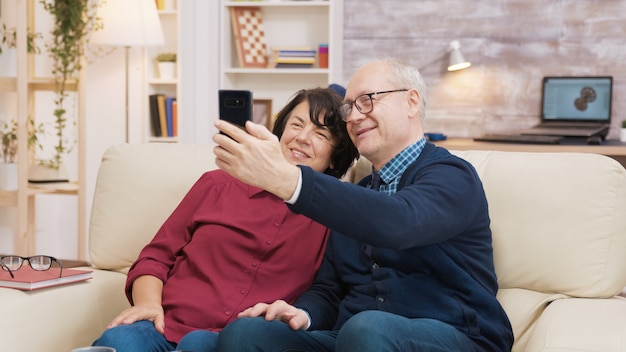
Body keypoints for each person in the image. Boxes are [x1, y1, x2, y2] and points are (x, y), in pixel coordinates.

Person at [212, 58, 514, 352]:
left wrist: (288, 180)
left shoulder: (453, 176)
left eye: (367, 100)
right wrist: (302, 315)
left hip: (455, 336)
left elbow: (400, 222)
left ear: (411, 102)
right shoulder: (356, 195)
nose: (354, 117)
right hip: (352, 338)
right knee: (246, 334)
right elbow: (329, 291)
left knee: (367, 329)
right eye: (349, 107)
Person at [91, 87, 359, 352]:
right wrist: (148, 305)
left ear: (334, 159)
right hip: (166, 324)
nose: (302, 138)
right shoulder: (217, 184)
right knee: (118, 342)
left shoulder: (333, 218)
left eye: (321, 134)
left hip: (237, 340)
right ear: (278, 134)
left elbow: (328, 294)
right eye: (296, 124)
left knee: (197, 345)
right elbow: (155, 258)